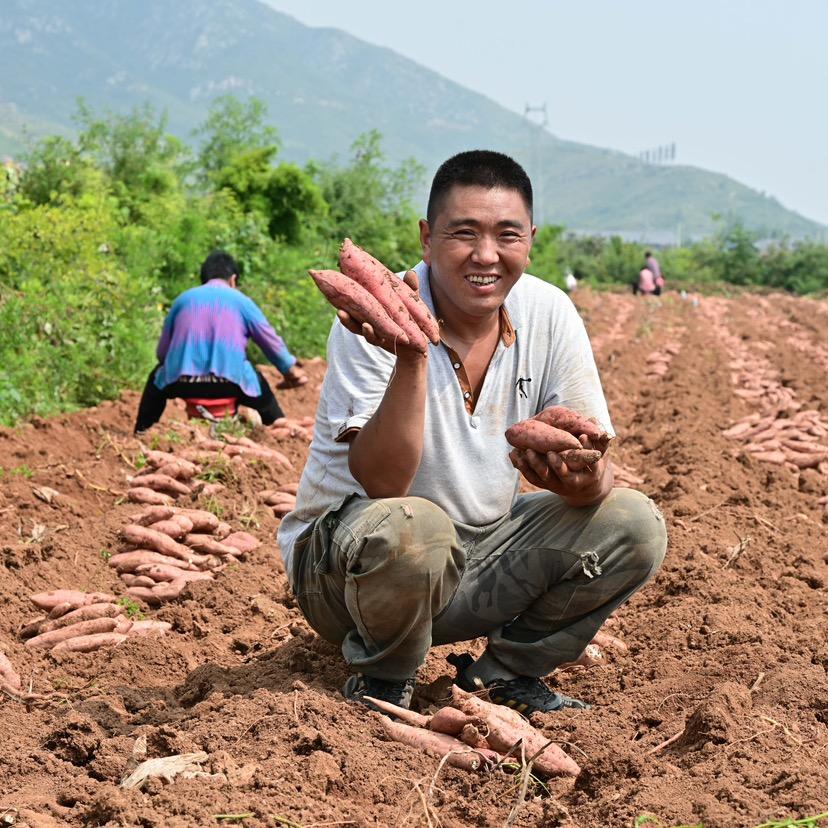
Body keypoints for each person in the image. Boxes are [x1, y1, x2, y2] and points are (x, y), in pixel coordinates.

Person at [278, 151, 667, 714]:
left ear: (530, 240)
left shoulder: (549, 313)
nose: (486, 255)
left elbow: (595, 466)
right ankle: (385, 679)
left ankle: (504, 674)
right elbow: (382, 483)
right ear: (426, 238)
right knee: (415, 526)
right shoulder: (382, 316)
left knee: (634, 522)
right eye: (464, 233)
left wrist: (583, 480)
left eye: (507, 235)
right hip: (348, 577)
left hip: (475, 562)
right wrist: (412, 357)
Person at [134, 250, 306, 433]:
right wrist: (289, 370)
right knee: (257, 384)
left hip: (182, 383)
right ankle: (280, 431)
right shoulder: (243, 302)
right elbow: (270, 342)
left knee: (155, 379)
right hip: (230, 384)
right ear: (233, 280)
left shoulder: (182, 300)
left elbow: (162, 354)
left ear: (203, 279)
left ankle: (142, 432)